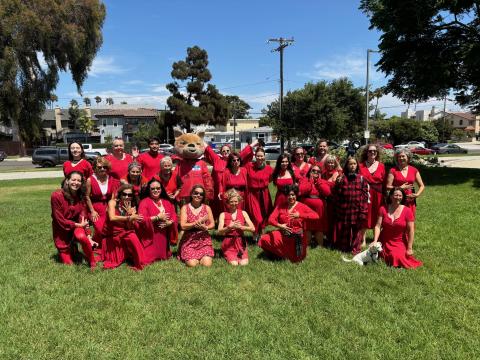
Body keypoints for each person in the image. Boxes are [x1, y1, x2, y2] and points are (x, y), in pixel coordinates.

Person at [258, 184, 319, 262]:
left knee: (296, 260)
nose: (291, 197)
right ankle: (276, 255)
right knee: (264, 239)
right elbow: (270, 219)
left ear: (296, 195)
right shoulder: (281, 206)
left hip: (297, 238)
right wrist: (280, 225)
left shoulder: (302, 206)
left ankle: (285, 255)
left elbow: (316, 216)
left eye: (293, 195)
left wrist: (300, 215)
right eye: (288, 195)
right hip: (283, 234)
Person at [50, 171, 97, 268]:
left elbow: (83, 217)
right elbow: (60, 220)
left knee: (81, 236)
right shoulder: (56, 195)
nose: (76, 183)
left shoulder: (81, 196)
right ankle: (71, 249)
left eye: (79, 181)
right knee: (69, 265)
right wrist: (78, 225)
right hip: (61, 229)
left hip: (76, 226)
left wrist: (88, 235)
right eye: (73, 179)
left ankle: (92, 260)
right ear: (67, 180)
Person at [371, 188, 423, 269]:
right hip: (384, 240)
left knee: (397, 257)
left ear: (402, 197)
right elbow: (378, 226)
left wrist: (409, 248)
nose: (397, 197)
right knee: (375, 255)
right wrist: (375, 241)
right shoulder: (383, 208)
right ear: (391, 196)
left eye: (400, 195)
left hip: (399, 241)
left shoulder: (407, 211)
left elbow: (411, 231)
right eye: (395, 195)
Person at [203, 141, 256, 217]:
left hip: (228, 187)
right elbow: (209, 149)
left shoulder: (234, 160)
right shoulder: (217, 159)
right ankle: (217, 219)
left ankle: (232, 218)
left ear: (230, 151)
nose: (225, 152)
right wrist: (199, 140)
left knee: (230, 203)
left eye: (227, 150)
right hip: (217, 187)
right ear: (220, 152)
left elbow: (245, 152)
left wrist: (254, 143)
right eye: (223, 151)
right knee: (216, 204)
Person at [332, 156, 369, 254]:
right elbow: (337, 195)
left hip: (357, 209)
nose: (352, 166)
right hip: (345, 209)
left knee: (357, 230)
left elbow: (365, 197)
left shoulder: (361, 179)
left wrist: (363, 211)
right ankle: (344, 247)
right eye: (350, 164)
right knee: (345, 229)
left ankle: (356, 248)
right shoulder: (342, 179)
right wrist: (337, 183)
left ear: (357, 166)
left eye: (354, 164)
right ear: (347, 166)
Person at [103, 184, 145, 270]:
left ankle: (139, 263)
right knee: (131, 235)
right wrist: (129, 217)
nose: (127, 197)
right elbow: (112, 217)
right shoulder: (112, 202)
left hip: (123, 231)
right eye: (124, 194)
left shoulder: (132, 207)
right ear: (120, 194)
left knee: (132, 235)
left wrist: (130, 214)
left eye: (129, 195)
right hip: (112, 233)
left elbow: (129, 227)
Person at [137, 179, 177, 264]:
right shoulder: (144, 202)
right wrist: (157, 217)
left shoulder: (167, 202)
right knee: (147, 258)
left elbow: (174, 216)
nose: (156, 190)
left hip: (163, 236)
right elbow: (142, 219)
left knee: (163, 256)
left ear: (161, 189)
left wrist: (169, 223)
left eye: (158, 188)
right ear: (149, 190)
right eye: (153, 188)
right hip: (150, 236)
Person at [85, 157, 120, 249]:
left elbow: (113, 195)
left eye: (104, 167)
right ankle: (99, 246)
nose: (102, 169)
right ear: (95, 168)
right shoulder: (90, 180)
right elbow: (87, 196)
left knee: (109, 229)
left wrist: (110, 207)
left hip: (108, 207)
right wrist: (92, 211)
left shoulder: (111, 178)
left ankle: (98, 245)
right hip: (95, 208)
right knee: (100, 230)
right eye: (99, 167)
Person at [178, 185, 215, 267]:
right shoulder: (185, 208)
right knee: (192, 264)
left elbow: (212, 224)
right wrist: (197, 222)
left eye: (201, 194)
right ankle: (194, 258)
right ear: (191, 194)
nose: (198, 195)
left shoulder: (207, 208)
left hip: (204, 240)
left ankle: (202, 258)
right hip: (189, 240)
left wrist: (206, 227)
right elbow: (183, 226)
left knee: (207, 264)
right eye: (196, 193)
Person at [217, 189, 255, 266]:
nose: (234, 203)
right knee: (234, 264)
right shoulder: (223, 214)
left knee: (244, 263)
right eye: (231, 201)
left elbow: (253, 228)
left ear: (238, 201)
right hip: (228, 243)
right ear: (227, 202)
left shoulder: (243, 213)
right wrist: (229, 227)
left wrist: (241, 227)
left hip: (240, 242)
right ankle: (227, 253)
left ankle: (240, 254)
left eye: (236, 201)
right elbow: (219, 231)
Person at [358, 144, 386, 244]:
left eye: (374, 151)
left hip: (378, 195)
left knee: (377, 216)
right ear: (366, 152)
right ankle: (363, 240)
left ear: (377, 153)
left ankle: (375, 239)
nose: (372, 152)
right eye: (370, 151)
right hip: (364, 194)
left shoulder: (382, 166)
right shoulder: (360, 165)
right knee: (364, 215)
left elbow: (385, 182)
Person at [244, 147, 273, 242]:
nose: (260, 158)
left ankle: (260, 235)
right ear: (255, 156)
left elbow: (271, 179)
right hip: (252, 194)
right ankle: (255, 234)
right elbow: (241, 157)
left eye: (261, 156)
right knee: (257, 217)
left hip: (264, 194)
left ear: (264, 156)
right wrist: (250, 146)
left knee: (264, 216)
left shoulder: (269, 168)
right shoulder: (249, 166)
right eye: (258, 156)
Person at [386, 149, 425, 218]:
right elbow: (387, 186)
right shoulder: (393, 170)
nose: (401, 158)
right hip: (397, 199)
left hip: (410, 199)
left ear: (408, 157)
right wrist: (400, 188)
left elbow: (422, 186)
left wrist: (417, 195)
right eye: (399, 157)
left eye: (403, 156)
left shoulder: (414, 170)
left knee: (409, 220)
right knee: (398, 219)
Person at [300, 165, 331, 247]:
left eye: (318, 171)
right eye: (313, 170)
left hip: (319, 208)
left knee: (319, 227)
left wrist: (319, 182)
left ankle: (320, 245)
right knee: (308, 226)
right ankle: (307, 244)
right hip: (307, 207)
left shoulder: (323, 181)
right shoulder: (305, 180)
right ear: (310, 172)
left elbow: (327, 192)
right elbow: (302, 191)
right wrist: (310, 181)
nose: (315, 172)